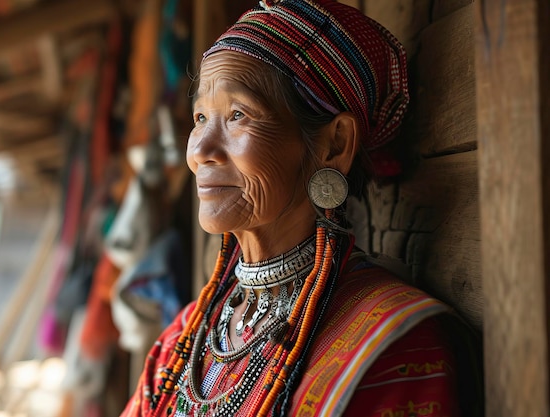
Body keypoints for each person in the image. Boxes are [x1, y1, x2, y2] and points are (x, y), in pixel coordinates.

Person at [120, 0, 483, 416]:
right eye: (201, 117)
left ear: (335, 145)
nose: (200, 151)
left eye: (238, 115)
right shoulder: (185, 338)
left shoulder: (395, 347)